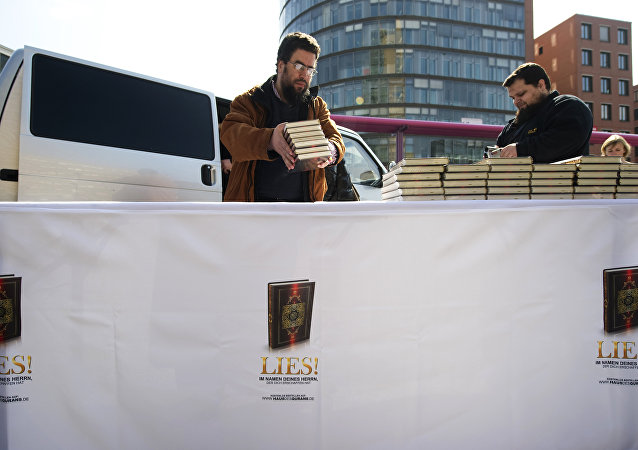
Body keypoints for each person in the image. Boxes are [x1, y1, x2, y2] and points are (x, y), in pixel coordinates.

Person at [220, 32, 345, 202]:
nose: (305, 75)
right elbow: (230, 134)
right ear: (281, 65)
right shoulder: (250, 101)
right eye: (299, 66)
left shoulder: (316, 106)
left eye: (310, 69)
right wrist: (270, 139)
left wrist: (330, 150)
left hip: (302, 210)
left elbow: (336, 140)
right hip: (255, 209)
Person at [495, 63, 593, 163]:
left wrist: (519, 149)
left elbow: (560, 142)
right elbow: (499, 146)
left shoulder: (569, 106)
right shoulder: (513, 125)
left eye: (520, 94)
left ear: (541, 85)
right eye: (513, 98)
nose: (515, 102)